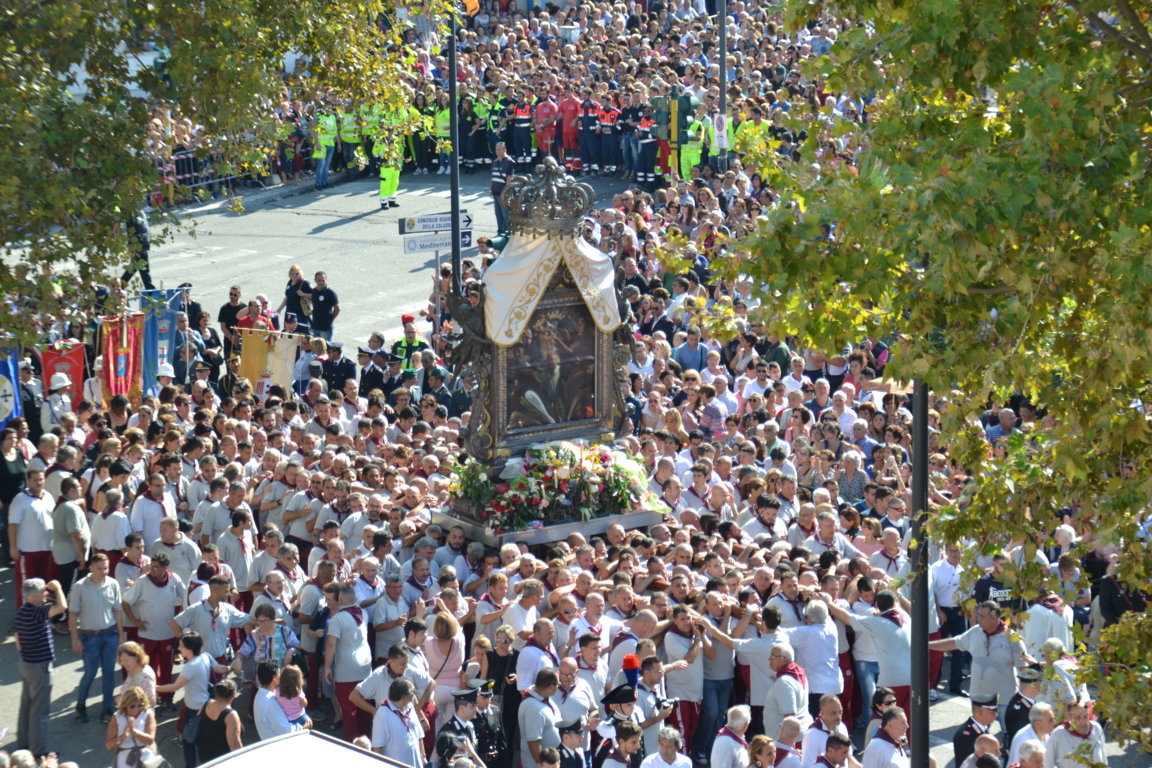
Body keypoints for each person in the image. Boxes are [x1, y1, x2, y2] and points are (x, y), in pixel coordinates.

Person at [15, 578, 67, 758]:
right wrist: (58, 588)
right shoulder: (37, 612)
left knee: (27, 706)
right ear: (34, 595)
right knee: (40, 709)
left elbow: (17, 640)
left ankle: (23, 742)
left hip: (26, 663)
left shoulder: (23, 611)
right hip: (39, 666)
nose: (46, 593)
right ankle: (38, 749)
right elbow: (62, 607)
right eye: (43, 591)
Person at [69, 552, 123, 724]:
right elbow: (72, 614)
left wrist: (121, 637)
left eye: (106, 568)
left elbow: (117, 611)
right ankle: (81, 706)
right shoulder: (80, 586)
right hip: (89, 637)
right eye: (99, 568)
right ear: (91, 568)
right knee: (90, 673)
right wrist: (75, 639)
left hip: (110, 635)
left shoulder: (113, 584)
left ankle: (107, 710)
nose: (103, 571)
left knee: (109, 674)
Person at [371, 678, 425, 765]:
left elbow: (419, 734)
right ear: (403, 697)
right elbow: (377, 748)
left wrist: (423, 756)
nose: (414, 694)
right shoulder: (382, 715)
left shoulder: (410, 707)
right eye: (412, 692)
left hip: (415, 763)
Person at [105, 687, 157, 768]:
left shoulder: (147, 714)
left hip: (146, 759)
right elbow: (109, 745)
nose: (136, 708)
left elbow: (150, 740)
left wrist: (134, 732)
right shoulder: (117, 717)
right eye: (132, 706)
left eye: (140, 705)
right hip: (124, 761)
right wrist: (122, 737)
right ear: (125, 705)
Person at [519, 667, 562, 768]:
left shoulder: (544, 699)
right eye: (558, 684)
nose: (559, 687)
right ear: (552, 686)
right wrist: (542, 765)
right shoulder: (533, 707)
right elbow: (534, 743)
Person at [1043, 700, 1106, 768]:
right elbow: (1048, 764)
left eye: (1085, 716)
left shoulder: (1096, 728)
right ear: (1068, 717)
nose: (1083, 722)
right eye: (1077, 718)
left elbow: (1104, 759)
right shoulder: (1058, 734)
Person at [196, 679, 244, 764]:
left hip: (204, 756)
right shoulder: (231, 715)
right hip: (222, 760)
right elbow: (235, 746)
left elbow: (197, 723)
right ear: (234, 695)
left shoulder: (207, 703)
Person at [254, 660, 304, 740]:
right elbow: (286, 730)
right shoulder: (270, 703)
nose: (281, 676)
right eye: (279, 673)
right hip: (277, 745)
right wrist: (304, 727)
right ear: (274, 678)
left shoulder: (260, 695)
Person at [952, 694, 1000, 768]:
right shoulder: (966, 737)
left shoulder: (982, 727)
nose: (996, 715)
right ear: (980, 712)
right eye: (992, 712)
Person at [117, 642, 158, 707]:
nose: (123, 663)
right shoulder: (132, 668)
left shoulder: (145, 676)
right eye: (121, 660)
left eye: (126, 660)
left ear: (136, 657)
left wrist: (126, 701)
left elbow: (152, 702)